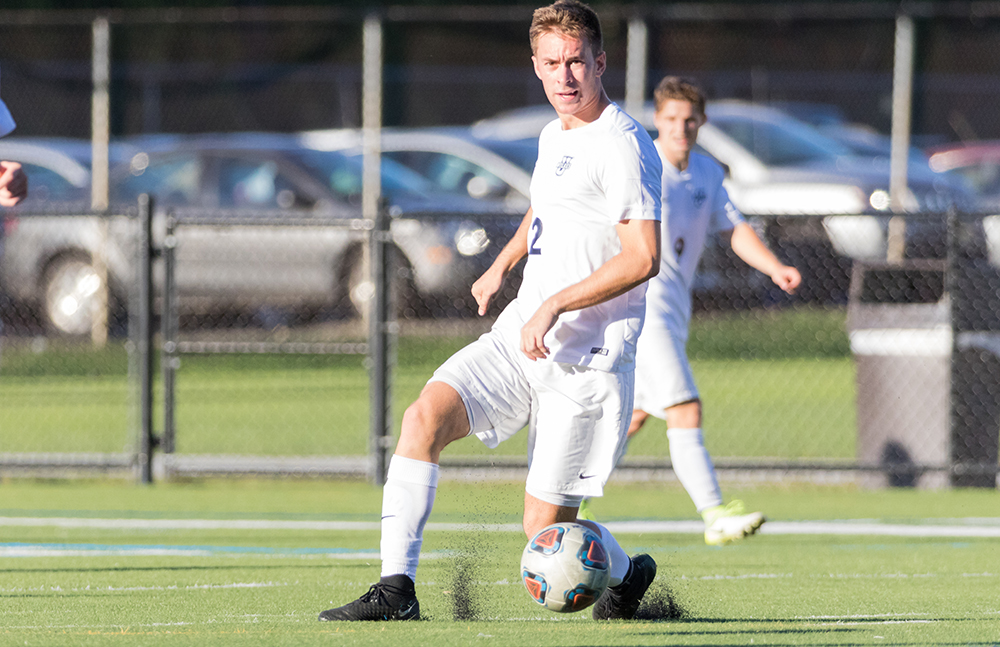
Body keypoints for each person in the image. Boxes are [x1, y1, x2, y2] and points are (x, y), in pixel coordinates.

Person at [319, 0, 663, 622]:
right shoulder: (553, 132)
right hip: (519, 336)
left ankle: (626, 571)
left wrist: (556, 303)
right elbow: (547, 206)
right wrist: (502, 264)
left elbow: (643, 257)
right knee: (423, 416)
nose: (565, 76)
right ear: (535, 66)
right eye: (552, 63)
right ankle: (396, 590)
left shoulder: (624, 145)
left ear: (601, 62)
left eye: (577, 62)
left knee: (544, 539)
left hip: (585, 363)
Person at [579, 77, 801, 545]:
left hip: (675, 310)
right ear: (657, 120)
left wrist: (775, 266)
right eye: (672, 119)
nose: (681, 127)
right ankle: (714, 513)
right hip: (645, 305)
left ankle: (570, 497)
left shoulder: (706, 172)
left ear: (701, 121)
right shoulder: (643, 164)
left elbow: (733, 229)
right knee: (685, 407)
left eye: (690, 119)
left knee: (633, 413)